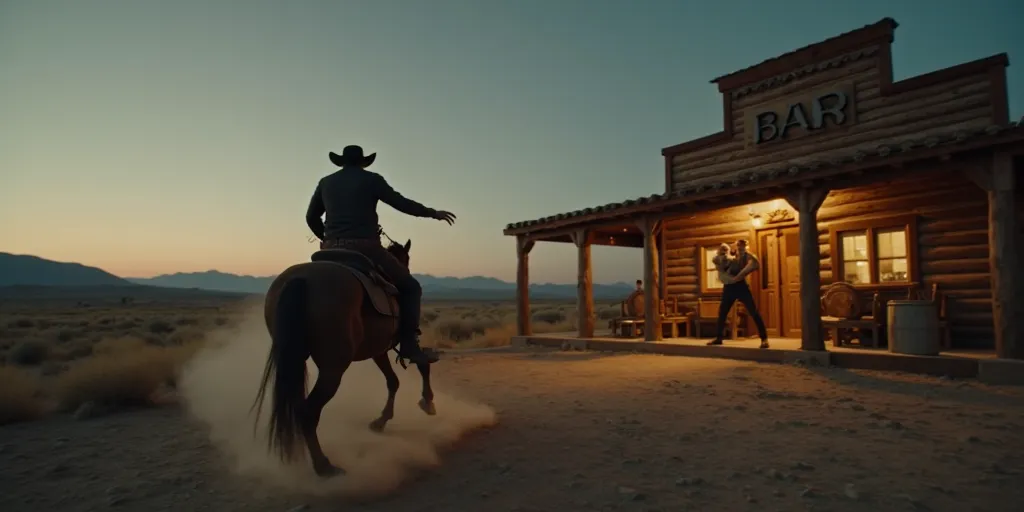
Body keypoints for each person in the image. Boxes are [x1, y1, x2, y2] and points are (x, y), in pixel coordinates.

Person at [305, 145, 456, 365]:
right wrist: (432, 213)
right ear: (363, 162)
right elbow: (400, 203)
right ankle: (409, 345)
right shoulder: (372, 180)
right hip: (365, 248)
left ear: (341, 162)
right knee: (411, 287)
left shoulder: (325, 182)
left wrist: (328, 240)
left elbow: (311, 218)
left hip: (329, 251)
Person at [707, 239, 770, 349]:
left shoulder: (748, 256)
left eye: (742, 246)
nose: (740, 248)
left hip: (741, 286)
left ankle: (764, 339)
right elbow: (720, 262)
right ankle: (718, 338)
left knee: (753, 311)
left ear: (745, 246)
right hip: (729, 287)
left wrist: (737, 277)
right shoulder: (731, 254)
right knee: (722, 312)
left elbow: (755, 264)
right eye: (738, 246)